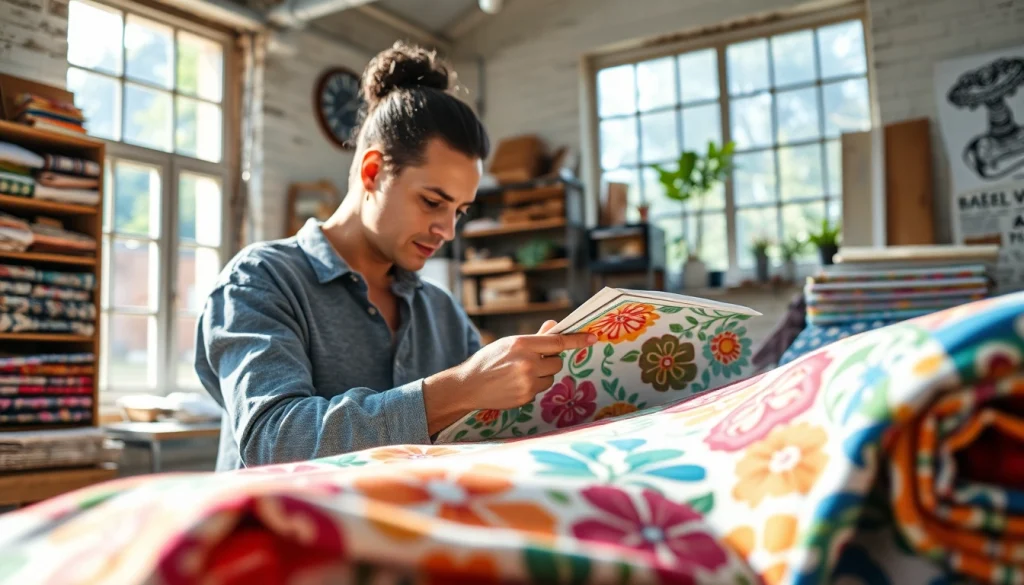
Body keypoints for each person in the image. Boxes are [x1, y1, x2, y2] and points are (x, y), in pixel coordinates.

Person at [195, 41, 596, 471]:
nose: (448, 230)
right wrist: (461, 388)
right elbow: (273, 440)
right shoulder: (260, 280)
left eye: (460, 211)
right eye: (432, 201)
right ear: (372, 172)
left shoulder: (440, 313)